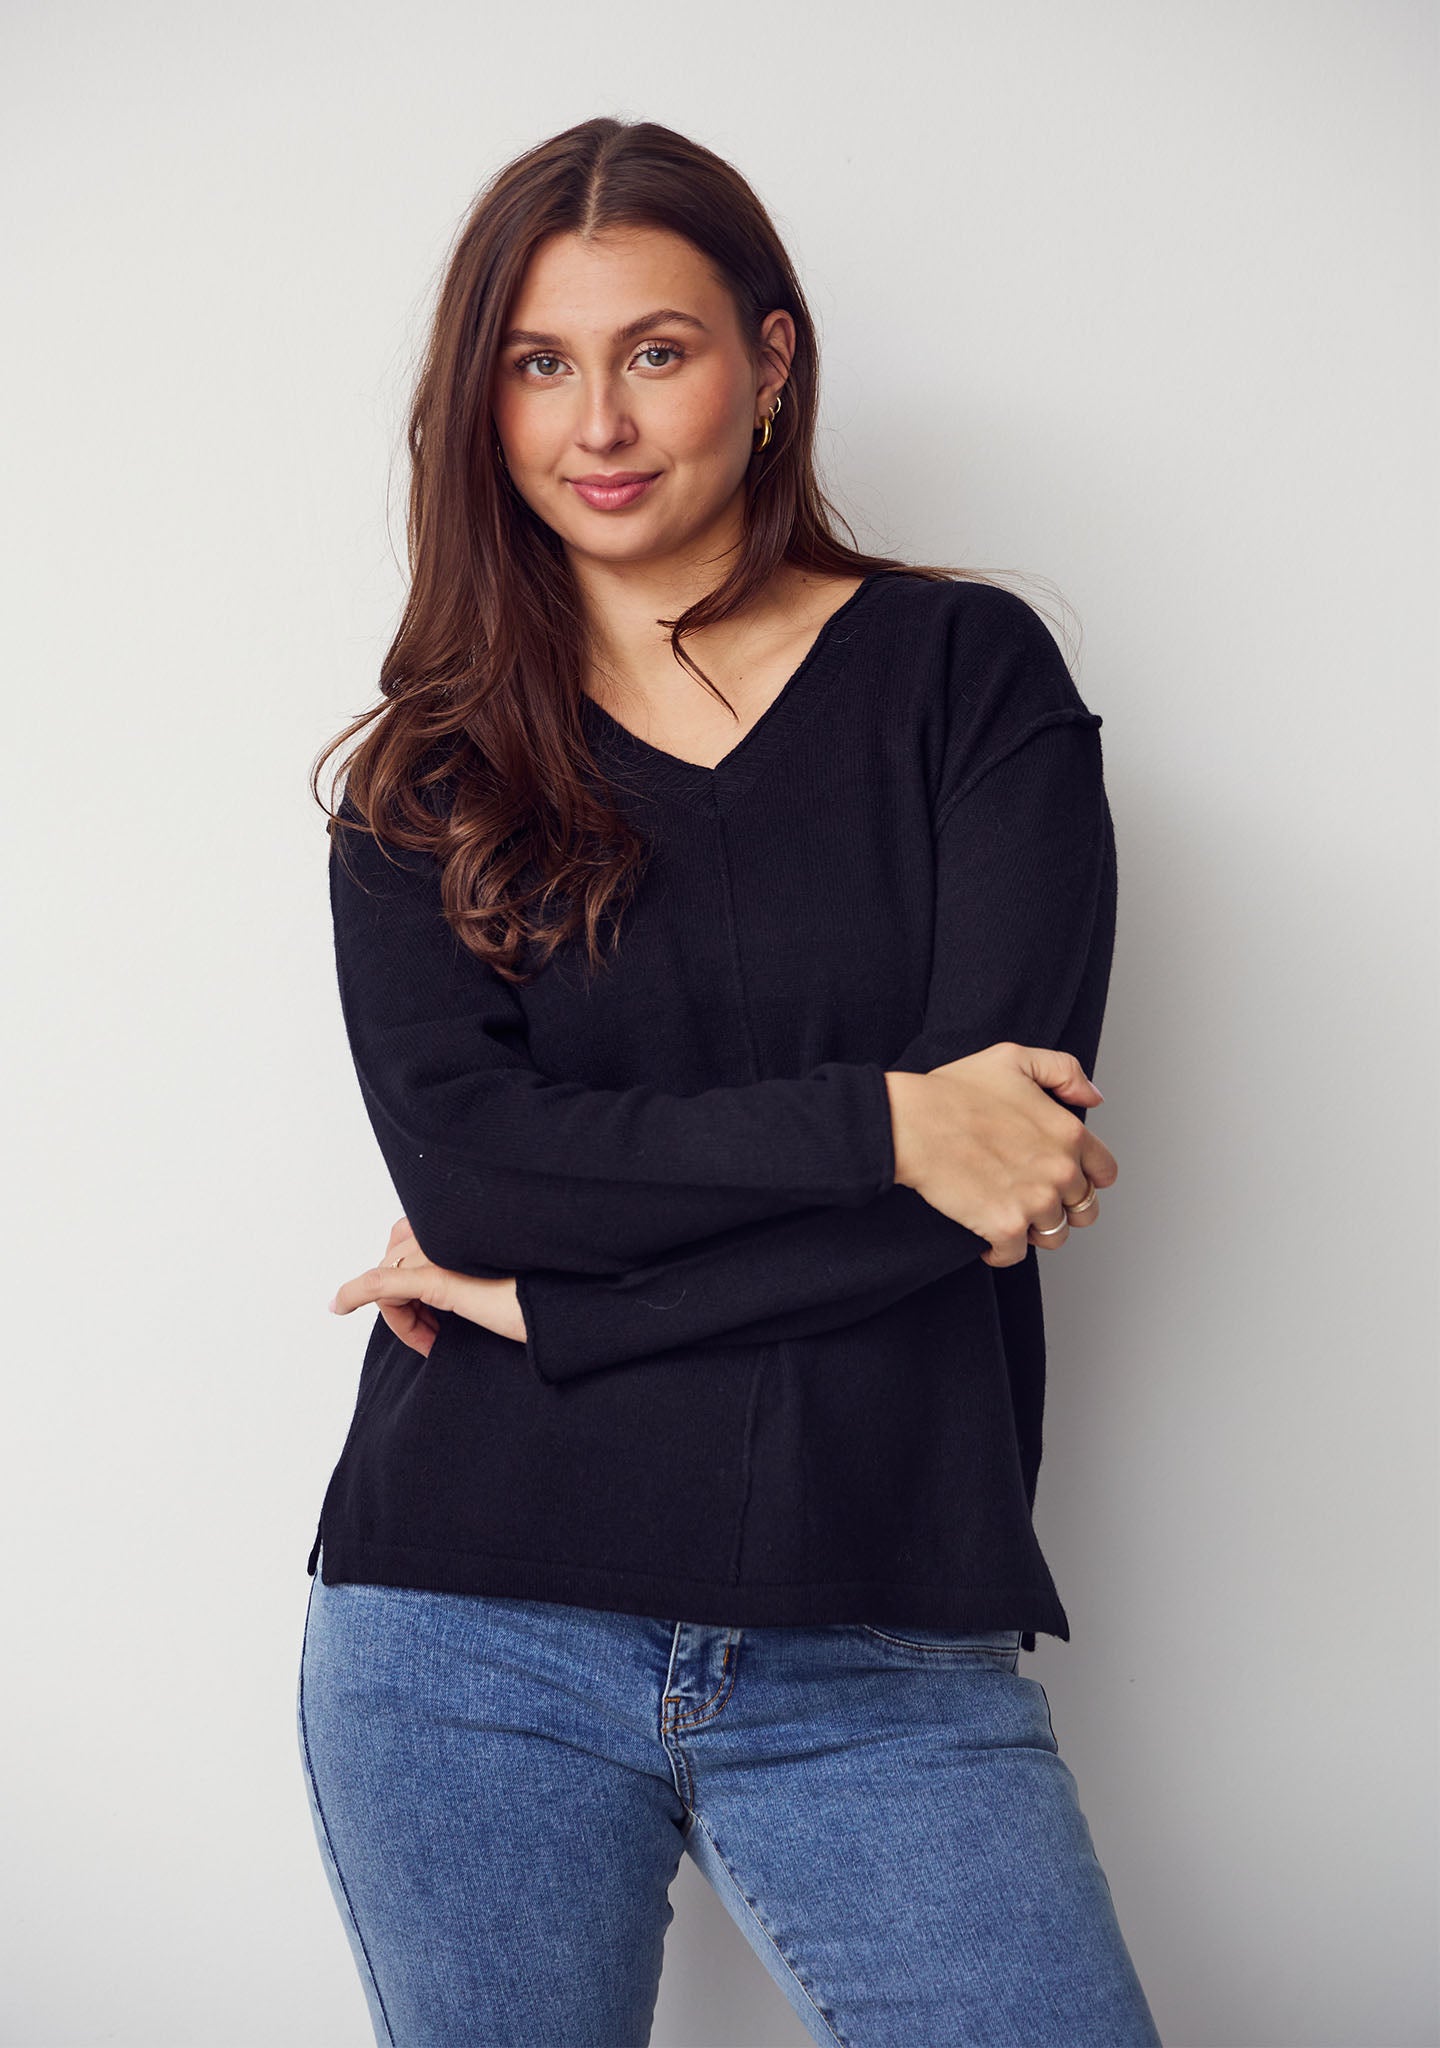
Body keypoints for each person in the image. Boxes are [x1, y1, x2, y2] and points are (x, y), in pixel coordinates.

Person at [296, 115, 1164, 2048]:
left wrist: (566, 1308)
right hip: (466, 1631)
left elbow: (1002, 1182)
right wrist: (887, 1123)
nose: (597, 421)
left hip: (878, 1630)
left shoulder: (965, 673)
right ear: (483, 400)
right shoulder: (427, 776)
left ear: (770, 364)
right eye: (540, 362)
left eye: (658, 350)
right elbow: (479, 1180)